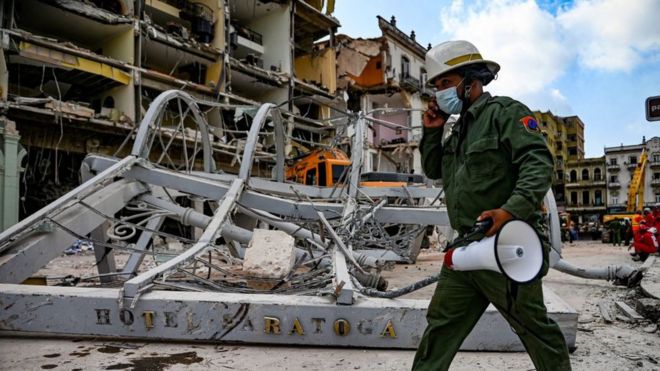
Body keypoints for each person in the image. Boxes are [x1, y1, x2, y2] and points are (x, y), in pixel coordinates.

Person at [412, 40, 571, 371]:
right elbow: (433, 169)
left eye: (445, 83)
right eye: (437, 86)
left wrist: (510, 210)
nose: (439, 93)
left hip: (507, 243)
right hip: (467, 247)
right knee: (440, 329)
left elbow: (538, 164)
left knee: (536, 330)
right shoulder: (457, 133)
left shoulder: (505, 113)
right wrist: (433, 132)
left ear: (470, 80)